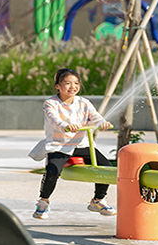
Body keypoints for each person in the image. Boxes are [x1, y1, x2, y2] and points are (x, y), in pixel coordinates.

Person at [31, 68, 115, 220]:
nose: (73, 87)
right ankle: (43, 202)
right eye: (67, 83)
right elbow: (54, 119)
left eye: (76, 83)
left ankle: (98, 200)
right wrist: (65, 126)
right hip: (59, 144)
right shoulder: (50, 103)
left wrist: (102, 123)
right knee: (52, 171)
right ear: (57, 86)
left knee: (106, 167)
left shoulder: (83, 102)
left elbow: (94, 116)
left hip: (81, 144)